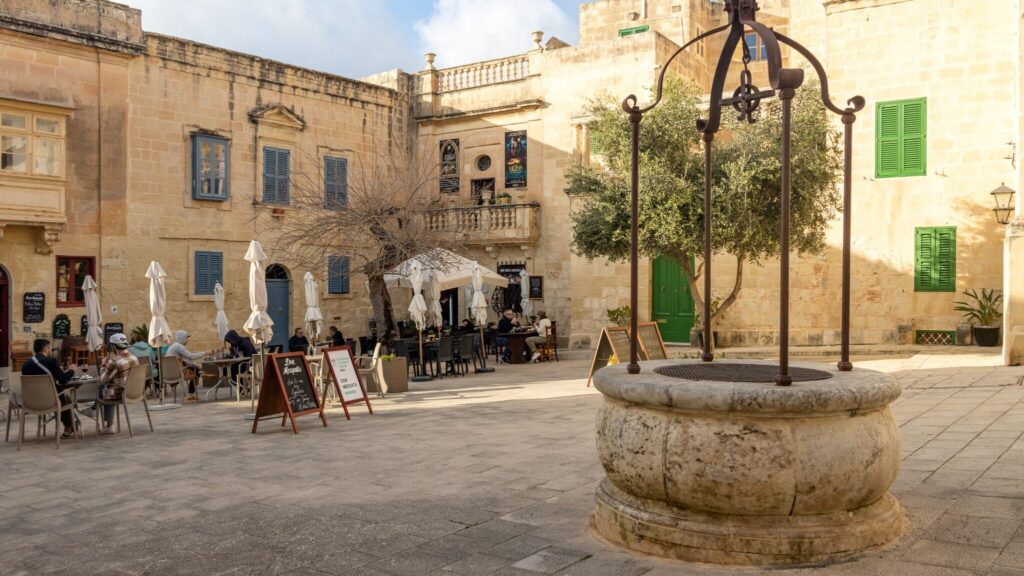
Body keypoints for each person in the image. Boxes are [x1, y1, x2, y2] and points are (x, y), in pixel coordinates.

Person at [21, 338, 78, 439]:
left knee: (61, 397)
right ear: (46, 348)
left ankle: (69, 426)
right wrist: (72, 370)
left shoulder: (26, 365)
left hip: (31, 402)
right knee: (64, 398)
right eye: (50, 348)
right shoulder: (51, 361)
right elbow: (64, 380)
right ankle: (70, 426)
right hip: (51, 401)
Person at [96, 333, 139, 434]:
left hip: (121, 393)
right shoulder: (134, 358)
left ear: (113, 346)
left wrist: (104, 366)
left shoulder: (115, 361)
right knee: (108, 388)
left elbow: (103, 379)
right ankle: (97, 411)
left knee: (103, 388)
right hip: (135, 391)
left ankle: (108, 424)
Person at [165, 330, 211, 402]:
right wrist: (205, 353)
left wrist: (194, 365)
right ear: (181, 338)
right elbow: (191, 356)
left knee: (195, 368)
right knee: (196, 371)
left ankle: (202, 374)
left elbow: (182, 360)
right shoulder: (179, 346)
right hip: (178, 373)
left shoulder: (174, 345)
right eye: (186, 338)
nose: (187, 340)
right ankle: (191, 394)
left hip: (169, 373)